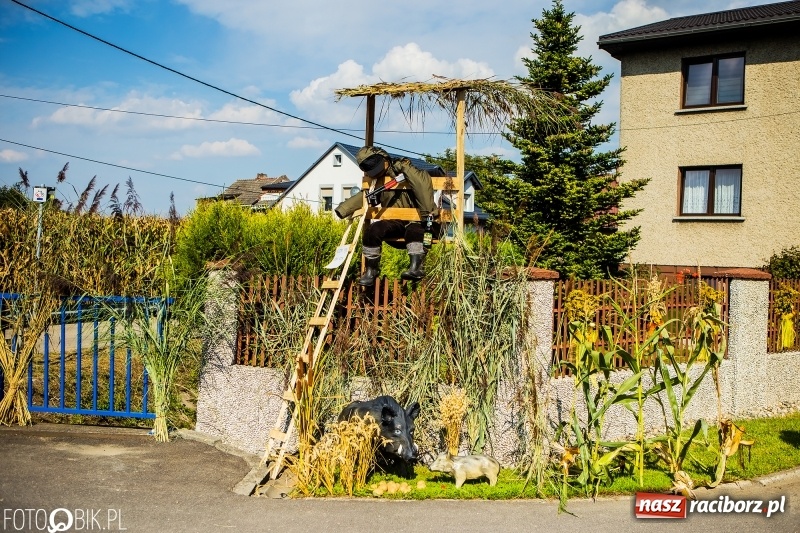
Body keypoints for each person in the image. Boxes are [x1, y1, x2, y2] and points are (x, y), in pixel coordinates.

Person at [335, 146, 439, 286]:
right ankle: (371, 270)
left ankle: (416, 268)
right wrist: (343, 209)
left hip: (421, 222)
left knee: (414, 230)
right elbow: (366, 196)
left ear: (385, 159)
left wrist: (404, 168)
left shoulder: (407, 170)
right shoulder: (378, 182)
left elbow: (421, 183)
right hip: (396, 223)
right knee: (373, 230)